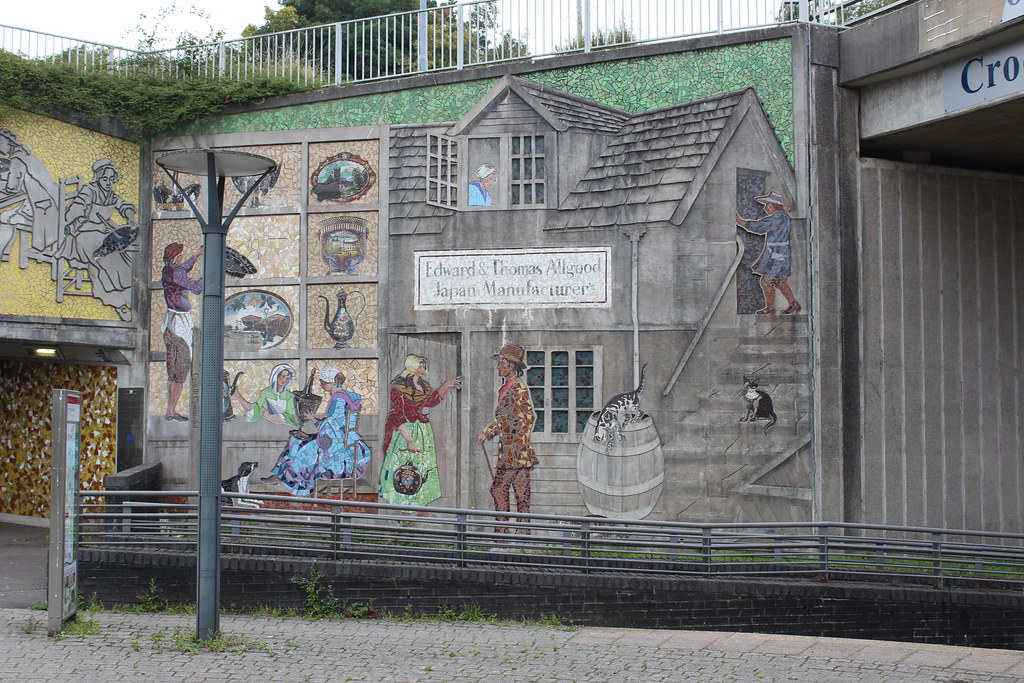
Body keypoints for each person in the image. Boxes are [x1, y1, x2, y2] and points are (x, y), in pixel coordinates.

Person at [261, 366, 370, 496]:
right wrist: (313, 419)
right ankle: (282, 477)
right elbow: (332, 422)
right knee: (296, 440)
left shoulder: (339, 399)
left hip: (338, 444)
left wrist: (317, 424)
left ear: (329, 382)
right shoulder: (343, 396)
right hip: (338, 437)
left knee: (298, 444)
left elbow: (334, 424)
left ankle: (295, 483)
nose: (321, 385)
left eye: (322, 382)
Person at [378, 354, 461, 507]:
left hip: (422, 430)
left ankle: (420, 503)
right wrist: (409, 440)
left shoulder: (423, 386)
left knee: (423, 466)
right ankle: (403, 507)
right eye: (420, 366)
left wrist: (445, 386)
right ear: (412, 366)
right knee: (403, 467)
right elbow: (398, 414)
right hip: (404, 431)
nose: (422, 369)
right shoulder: (398, 387)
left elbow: (431, 401)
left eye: (423, 366)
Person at [60, 159, 138, 319]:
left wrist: (130, 217)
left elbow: (124, 205)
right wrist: (79, 219)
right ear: (98, 177)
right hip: (85, 234)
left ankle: (129, 296)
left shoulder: (110, 194)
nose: (108, 182)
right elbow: (73, 212)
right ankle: (118, 303)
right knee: (108, 258)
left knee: (128, 254)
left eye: (111, 179)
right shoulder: (89, 190)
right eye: (105, 179)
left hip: (106, 231)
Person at [477, 343, 537, 533]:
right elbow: (506, 419)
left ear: (511, 365)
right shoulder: (509, 387)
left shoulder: (517, 389)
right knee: (521, 492)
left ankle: (502, 531)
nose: (498, 366)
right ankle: (523, 532)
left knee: (498, 489)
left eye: (501, 363)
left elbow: (525, 418)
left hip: (514, 451)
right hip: (517, 451)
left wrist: (489, 432)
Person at [736, 191, 801, 315]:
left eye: (768, 205)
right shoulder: (784, 217)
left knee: (766, 281)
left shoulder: (777, 218)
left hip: (776, 255)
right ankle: (794, 304)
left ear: (774, 206)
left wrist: (741, 222)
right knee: (781, 281)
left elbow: (760, 227)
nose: (766, 208)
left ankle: (770, 307)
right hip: (782, 254)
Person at [0, 129, 57, 263]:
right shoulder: (27, 156)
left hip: (40, 207)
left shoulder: (17, 159)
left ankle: (2, 253)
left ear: (8, 142)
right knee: (7, 215)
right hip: (49, 203)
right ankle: (4, 253)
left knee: (6, 217)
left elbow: (12, 187)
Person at [161, 242, 202, 422]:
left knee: (174, 368)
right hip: (179, 322)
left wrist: (195, 256)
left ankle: (171, 410)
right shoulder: (176, 273)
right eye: (180, 255)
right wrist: (209, 275)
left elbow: (183, 268)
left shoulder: (168, 270)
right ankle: (171, 411)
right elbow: (196, 287)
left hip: (170, 320)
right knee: (181, 366)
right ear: (176, 256)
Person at [235, 363, 301, 428]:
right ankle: (237, 394)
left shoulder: (289, 395)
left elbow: (291, 415)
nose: (285, 380)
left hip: (283, 423)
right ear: (276, 376)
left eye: (287, 378)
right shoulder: (266, 392)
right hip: (268, 423)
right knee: (260, 411)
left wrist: (273, 416)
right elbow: (257, 407)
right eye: (283, 376)